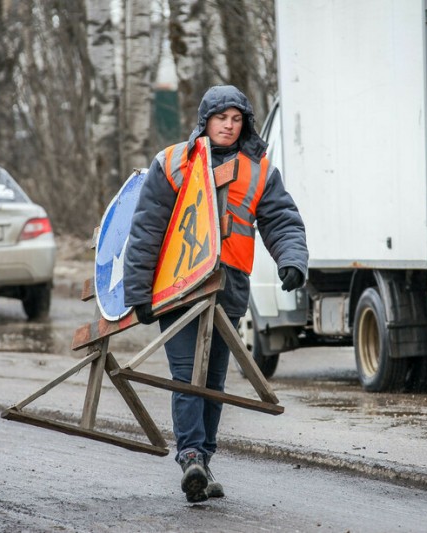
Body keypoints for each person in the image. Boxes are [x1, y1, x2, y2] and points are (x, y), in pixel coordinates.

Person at [124, 85, 308, 503]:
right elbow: (145, 231)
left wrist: (291, 260)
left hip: (228, 291)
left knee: (214, 380)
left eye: (236, 119)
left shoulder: (259, 170)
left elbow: (282, 221)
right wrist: (139, 291)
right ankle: (189, 453)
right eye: (221, 117)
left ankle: (202, 464)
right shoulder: (172, 163)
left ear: (244, 124)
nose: (228, 125)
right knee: (188, 375)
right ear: (205, 120)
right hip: (179, 288)